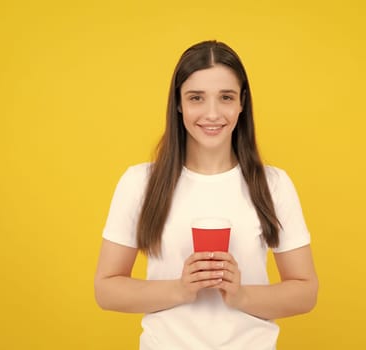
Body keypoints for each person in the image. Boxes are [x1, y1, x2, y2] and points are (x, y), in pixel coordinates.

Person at [94, 40, 318, 349]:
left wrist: (241, 295)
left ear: (242, 103)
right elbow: (106, 290)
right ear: (178, 103)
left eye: (225, 97)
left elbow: (305, 292)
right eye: (196, 98)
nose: (212, 113)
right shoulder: (140, 183)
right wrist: (182, 289)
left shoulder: (273, 185)